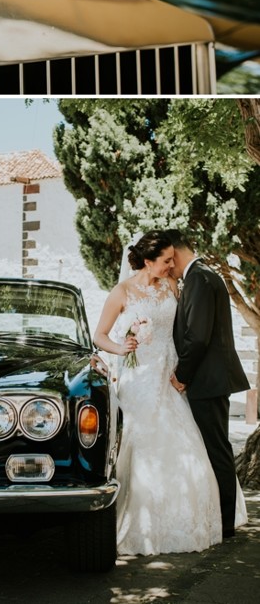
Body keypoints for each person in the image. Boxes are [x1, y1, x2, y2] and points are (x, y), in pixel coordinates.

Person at [92, 230, 245, 555]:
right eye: (165, 261)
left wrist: (183, 371)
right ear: (148, 261)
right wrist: (121, 347)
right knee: (142, 441)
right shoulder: (121, 292)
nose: (171, 264)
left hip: (172, 374)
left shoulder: (173, 287)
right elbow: (100, 335)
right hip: (140, 375)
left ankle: (197, 518)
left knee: (189, 442)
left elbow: (188, 331)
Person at [167, 229, 251, 539]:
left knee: (217, 449)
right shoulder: (200, 277)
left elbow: (198, 336)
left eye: (167, 260)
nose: (168, 268)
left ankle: (225, 524)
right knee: (213, 448)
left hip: (208, 380)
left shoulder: (200, 279)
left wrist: (182, 375)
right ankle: (218, 518)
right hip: (209, 380)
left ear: (174, 253)